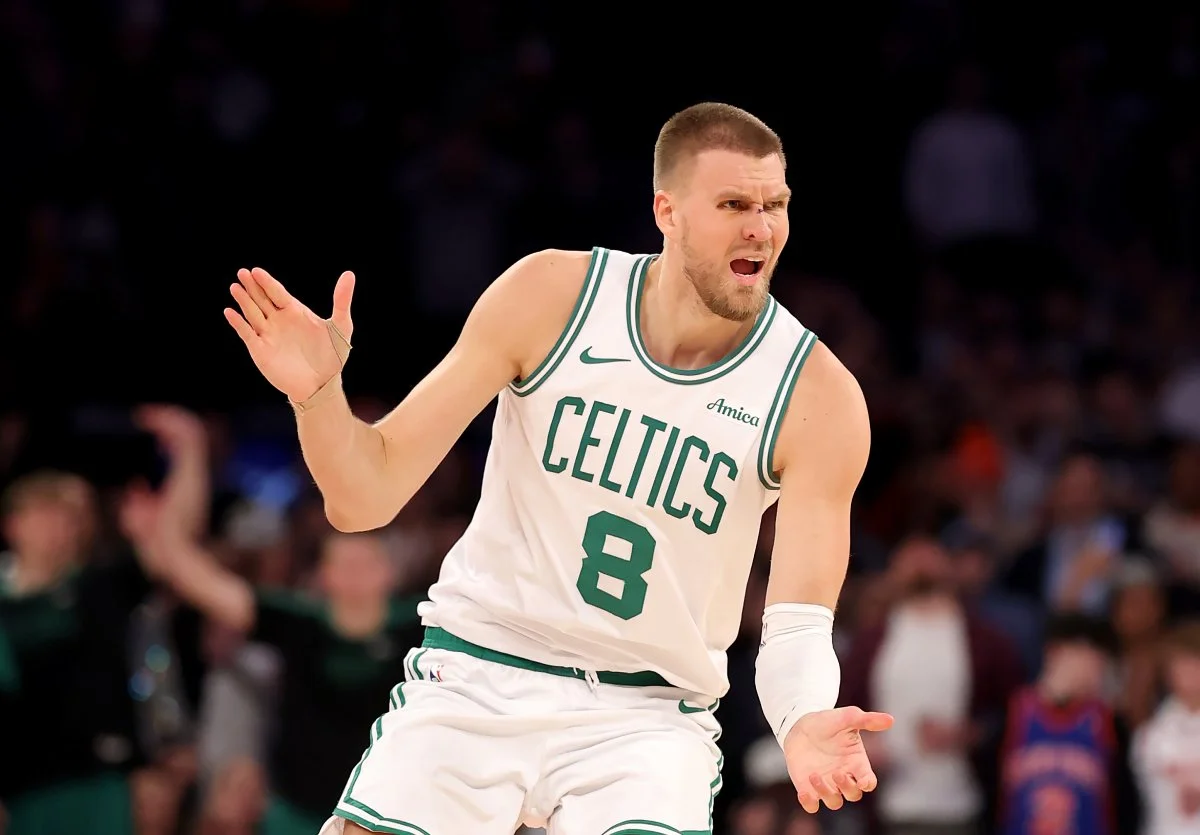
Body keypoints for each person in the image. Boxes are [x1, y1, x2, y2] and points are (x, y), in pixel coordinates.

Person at [222, 102, 892, 835]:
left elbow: (798, 622)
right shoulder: (553, 296)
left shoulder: (817, 396)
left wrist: (802, 716)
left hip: (646, 715)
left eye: (775, 205)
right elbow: (364, 498)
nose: (761, 228)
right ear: (667, 211)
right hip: (482, 669)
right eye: (735, 205)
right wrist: (318, 397)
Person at [123, 407, 427, 835]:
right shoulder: (297, 621)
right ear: (324, 576)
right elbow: (187, 571)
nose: (356, 574)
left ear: (389, 572)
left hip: (388, 814)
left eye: (367, 563)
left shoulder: (421, 623)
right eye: (344, 563)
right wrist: (191, 452)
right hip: (296, 812)